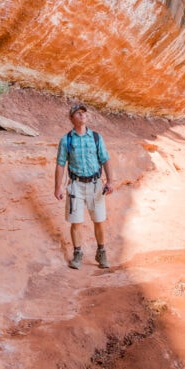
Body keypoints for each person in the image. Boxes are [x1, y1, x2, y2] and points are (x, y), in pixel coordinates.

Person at [54, 103, 114, 269]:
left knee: (99, 220)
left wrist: (110, 181)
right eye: (78, 113)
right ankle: (78, 254)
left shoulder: (96, 137)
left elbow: (105, 159)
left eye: (84, 113)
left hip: (95, 185)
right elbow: (60, 164)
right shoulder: (66, 140)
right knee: (76, 222)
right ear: (71, 118)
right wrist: (58, 187)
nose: (82, 115)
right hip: (76, 186)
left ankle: (101, 252)